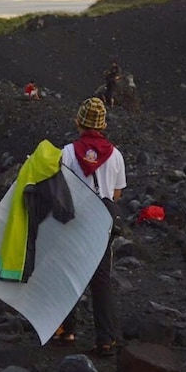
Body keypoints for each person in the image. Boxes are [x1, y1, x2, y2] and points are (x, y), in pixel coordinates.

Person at [55, 97, 125, 356]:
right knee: (101, 280)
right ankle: (105, 339)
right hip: (102, 220)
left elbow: (60, 188)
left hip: (76, 216)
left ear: (79, 122)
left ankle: (67, 329)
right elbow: (117, 193)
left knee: (68, 273)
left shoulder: (67, 152)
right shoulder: (116, 155)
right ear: (103, 125)